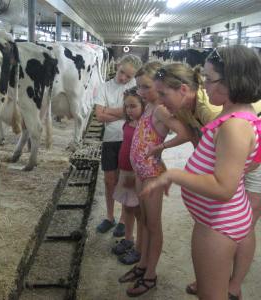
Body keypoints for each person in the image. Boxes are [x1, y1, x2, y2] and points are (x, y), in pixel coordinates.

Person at [144, 45, 261, 299]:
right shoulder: (234, 116)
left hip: (219, 224)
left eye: (209, 79)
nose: (204, 85)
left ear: (233, 81)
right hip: (217, 219)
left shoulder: (235, 126)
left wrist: (174, 175)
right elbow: (245, 165)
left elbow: (224, 188)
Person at [118, 61, 191, 297]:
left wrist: (162, 147)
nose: (142, 92)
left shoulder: (159, 109)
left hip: (152, 175)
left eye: (146, 86)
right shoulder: (148, 106)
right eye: (138, 87)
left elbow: (185, 133)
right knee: (146, 223)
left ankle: (150, 276)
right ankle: (142, 267)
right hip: (141, 173)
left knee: (153, 225)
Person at [94, 54, 142, 237]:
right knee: (109, 180)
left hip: (129, 139)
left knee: (125, 181)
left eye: (128, 76)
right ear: (118, 65)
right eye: (122, 72)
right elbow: (99, 116)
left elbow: (133, 115)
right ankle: (109, 216)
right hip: (110, 139)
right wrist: (124, 113)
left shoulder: (135, 89)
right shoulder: (105, 87)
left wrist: (109, 110)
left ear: (133, 77)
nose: (123, 78)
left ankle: (123, 219)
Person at [111, 87, 145, 266]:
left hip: (135, 174)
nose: (129, 110)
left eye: (133, 106)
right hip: (124, 171)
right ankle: (128, 238)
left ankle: (139, 248)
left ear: (143, 105)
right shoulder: (127, 123)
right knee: (127, 208)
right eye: (126, 107)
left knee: (138, 211)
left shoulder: (144, 126)